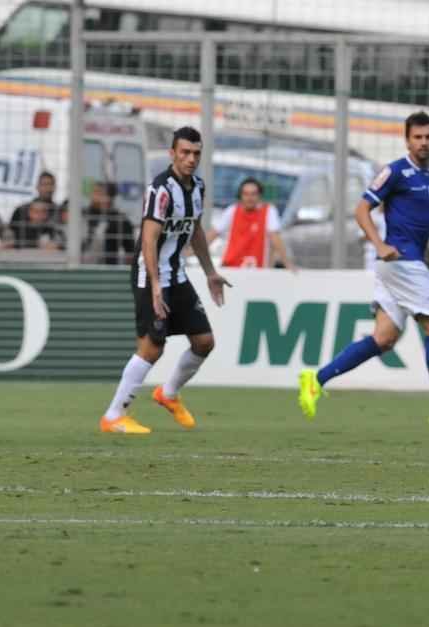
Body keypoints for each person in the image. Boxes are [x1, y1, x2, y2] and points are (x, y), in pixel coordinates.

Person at [297, 112, 429, 432]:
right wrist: (379, 243)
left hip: (400, 263)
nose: (424, 142)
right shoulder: (394, 171)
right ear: (407, 140)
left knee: (383, 339)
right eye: (418, 137)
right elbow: (360, 209)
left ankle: (316, 379)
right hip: (402, 261)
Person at [99, 126, 230, 434]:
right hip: (150, 275)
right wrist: (156, 286)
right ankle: (114, 415)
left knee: (204, 341)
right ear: (172, 153)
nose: (191, 159)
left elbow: (194, 230)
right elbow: (148, 239)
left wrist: (210, 272)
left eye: (196, 153)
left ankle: (168, 394)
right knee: (151, 347)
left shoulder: (197, 187)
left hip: (178, 274)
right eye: (184, 152)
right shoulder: (160, 190)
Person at [207, 177, 296, 270]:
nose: (249, 198)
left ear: (259, 196)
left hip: (257, 269)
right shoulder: (232, 210)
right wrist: (192, 252)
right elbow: (213, 234)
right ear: (240, 196)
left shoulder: (269, 211)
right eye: (246, 194)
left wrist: (287, 263)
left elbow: (275, 238)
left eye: (253, 194)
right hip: (231, 267)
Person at [80, 181, 137, 265]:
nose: (93, 196)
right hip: (80, 265)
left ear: (109, 198)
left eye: (98, 192)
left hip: (108, 269)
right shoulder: (83, 214)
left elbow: (130, 251)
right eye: (93, 192)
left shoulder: (120, 220)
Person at [10, 171, 57, 237]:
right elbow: (11, 234)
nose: (48, 188)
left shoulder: (58, 211)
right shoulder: (21, 210)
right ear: (37, 187)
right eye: (45, 184)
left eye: (51, 184)